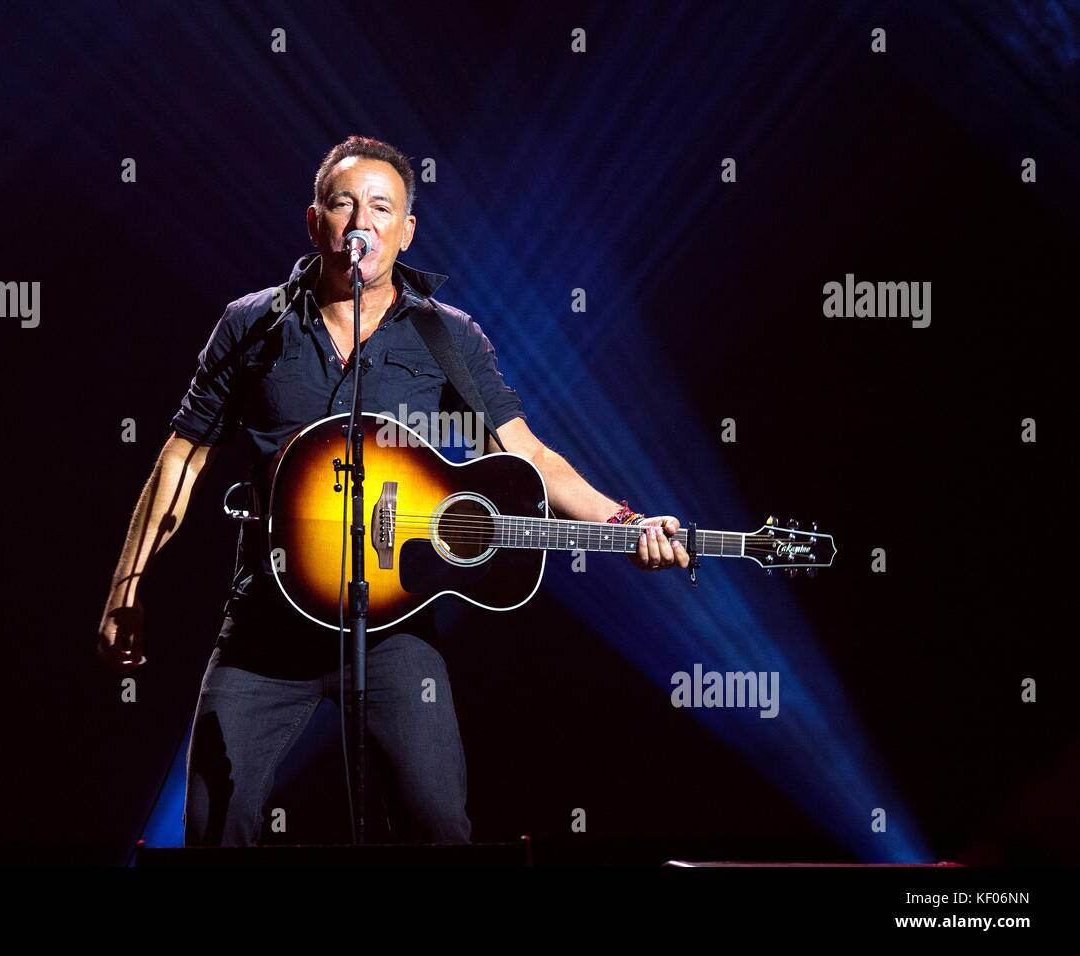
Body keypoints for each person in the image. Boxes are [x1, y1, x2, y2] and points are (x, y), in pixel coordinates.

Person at [96, 135, 690, 847]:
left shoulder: (447, 336)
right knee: (215, 828)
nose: (360, 223)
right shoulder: (251, 324)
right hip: (264, 623)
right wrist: (126, 589)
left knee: (438, 825)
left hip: (392, 628)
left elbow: (527, 454)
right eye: (342, 204)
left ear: (406, 231)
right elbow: (181, 457)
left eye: (382, 207)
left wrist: (625, 523)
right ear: (314, 221)